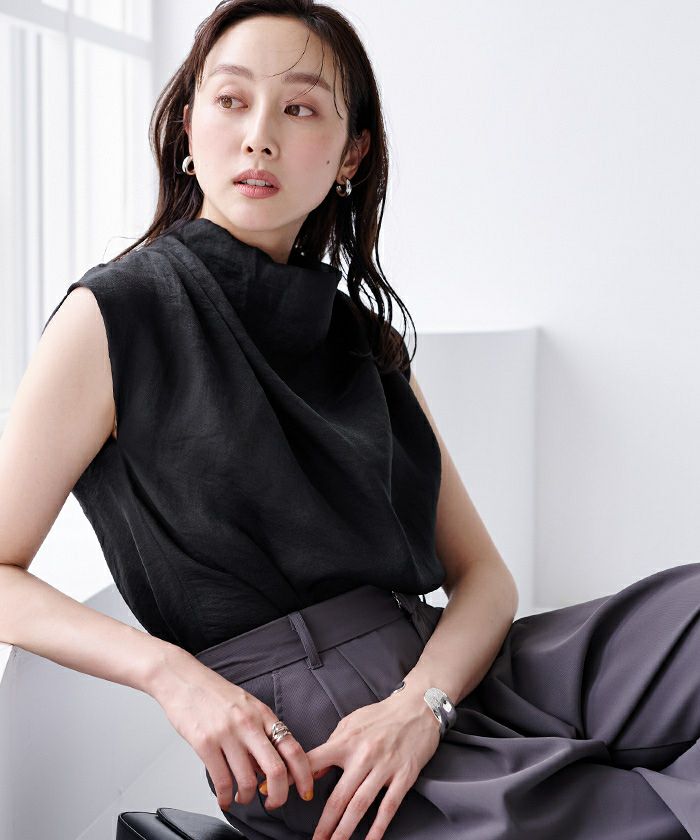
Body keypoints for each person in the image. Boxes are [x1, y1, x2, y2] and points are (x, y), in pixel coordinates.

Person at [0, 1, 698, 838]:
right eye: (231, 100)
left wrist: (423, 704)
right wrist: (170, 674)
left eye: (299, 108)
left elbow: (484, 576)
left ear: (350, 153)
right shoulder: (117, 313)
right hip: (323, 742)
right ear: (188, 125)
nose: (259, 136)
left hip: (446, 680)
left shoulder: (360, 335)